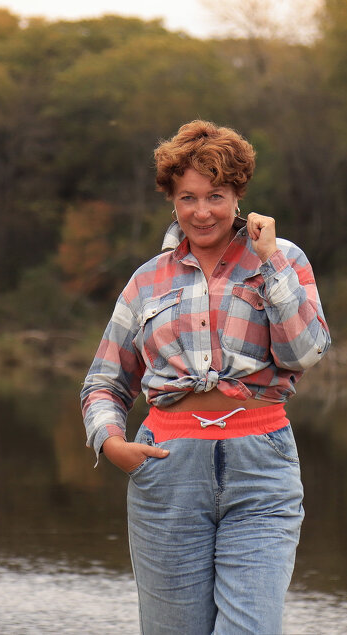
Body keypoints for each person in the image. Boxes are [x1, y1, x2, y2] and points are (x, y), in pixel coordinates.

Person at [80, 119, 332, 634]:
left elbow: (305, 352)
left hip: (261, 470)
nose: (201, 212)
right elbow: (104, 382)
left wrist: (270, 264)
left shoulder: (283, 261)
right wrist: (110, 442)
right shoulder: (146, 280)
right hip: (166, 471)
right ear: (171, 200)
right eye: (187, 197)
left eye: (215, 195)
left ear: (238, 194)